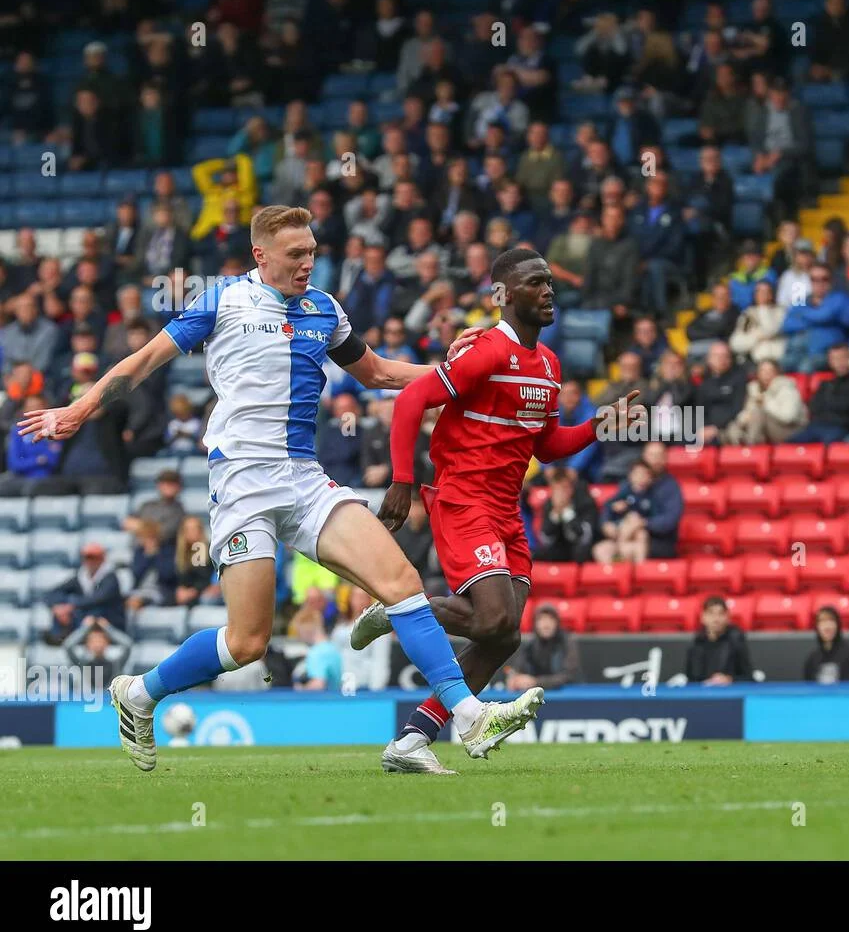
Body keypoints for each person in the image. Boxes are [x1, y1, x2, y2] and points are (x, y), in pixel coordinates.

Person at [19, 206, 540, 772]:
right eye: (296, 255)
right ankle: (138, 694)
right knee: (248, 643)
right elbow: (144, 361)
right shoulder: (222, 301)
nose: (307, 264)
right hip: (242, 483)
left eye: (312, 252)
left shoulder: (325, 309)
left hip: (304, 478)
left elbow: (379, 375)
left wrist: (456, 373)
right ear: (261, 256)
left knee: (401, 580)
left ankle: (467, 715)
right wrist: (80, 408)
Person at [349, 248, 639, 774]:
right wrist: (402, 480)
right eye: (535, 282)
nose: (549, 290)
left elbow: (547, 446)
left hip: (508, 510)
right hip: (464, 500)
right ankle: (401, 610)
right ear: (504, 294)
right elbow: (414, 399)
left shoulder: (548, 365)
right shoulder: (485, 351)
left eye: (551, 281)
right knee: (493, 617)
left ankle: (414, 739)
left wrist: (598, 425)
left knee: (505, 634)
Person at [803, 606, 849, 683]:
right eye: (822, 621)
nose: (827, 626)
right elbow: (808, 688)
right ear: (817, 627)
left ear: (837, 625)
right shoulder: (812, 658)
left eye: (831, 620)